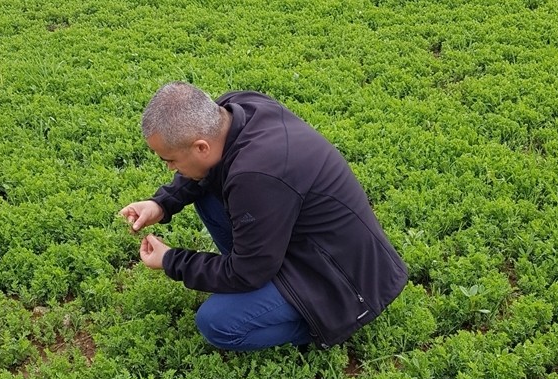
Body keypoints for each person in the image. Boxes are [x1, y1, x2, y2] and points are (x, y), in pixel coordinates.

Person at [120, 82, 408, 351]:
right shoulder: (235, 109)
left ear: (201, 147)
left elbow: (247, 271)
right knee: (205, 192)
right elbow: (203, 173)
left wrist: (171, 260)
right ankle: (263, 283)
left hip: (344, 280)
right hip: (305, 242)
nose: (170, 167)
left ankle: (320, 325)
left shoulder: (255, 177)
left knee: (217, 323)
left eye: (170, 159)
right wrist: (161, 203)